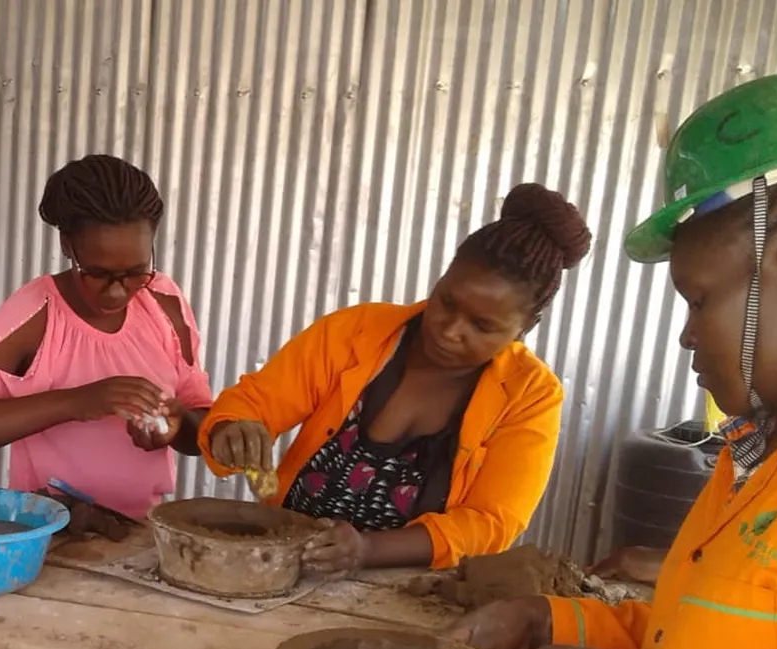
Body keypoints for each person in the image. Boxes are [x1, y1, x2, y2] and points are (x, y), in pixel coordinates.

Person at [424, 73, 777, 649]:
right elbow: (710, 647)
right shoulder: (753, 458)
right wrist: (551, 620)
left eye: (698, 300)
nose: (686, 338)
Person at [199, 184, 592, 575]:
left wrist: (366, 550)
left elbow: (490, 523)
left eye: (482, 325)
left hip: (410, 591)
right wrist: (233, 427)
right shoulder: (357, 332)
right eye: (447, 301)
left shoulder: (530, 395)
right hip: (287, 564)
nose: (449, 330)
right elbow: (255, 401)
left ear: (525, 328)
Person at [0, 155, 213, 519]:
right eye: (98, 274)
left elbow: (199, 430)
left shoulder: (164, 304)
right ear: (66, 245)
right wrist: (78, 402)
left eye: (136, 273)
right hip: (50, 536)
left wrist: (175, 424)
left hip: (140, 535)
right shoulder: (36, 313)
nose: (117, 293)